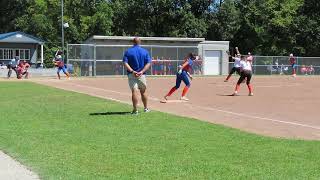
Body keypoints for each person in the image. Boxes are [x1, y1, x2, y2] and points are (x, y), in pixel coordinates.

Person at [123, 37, 151, 115]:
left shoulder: (128, 51)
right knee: (143, 91)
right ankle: (145, 108)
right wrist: (142, 72)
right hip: (142, 75)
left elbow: (125, 63)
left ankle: (135, 110)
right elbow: (148, 63)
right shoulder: (145, 51)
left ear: (133, 42)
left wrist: (132, 71)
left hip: (132, 74)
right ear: (140, 42)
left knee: (134, 91)